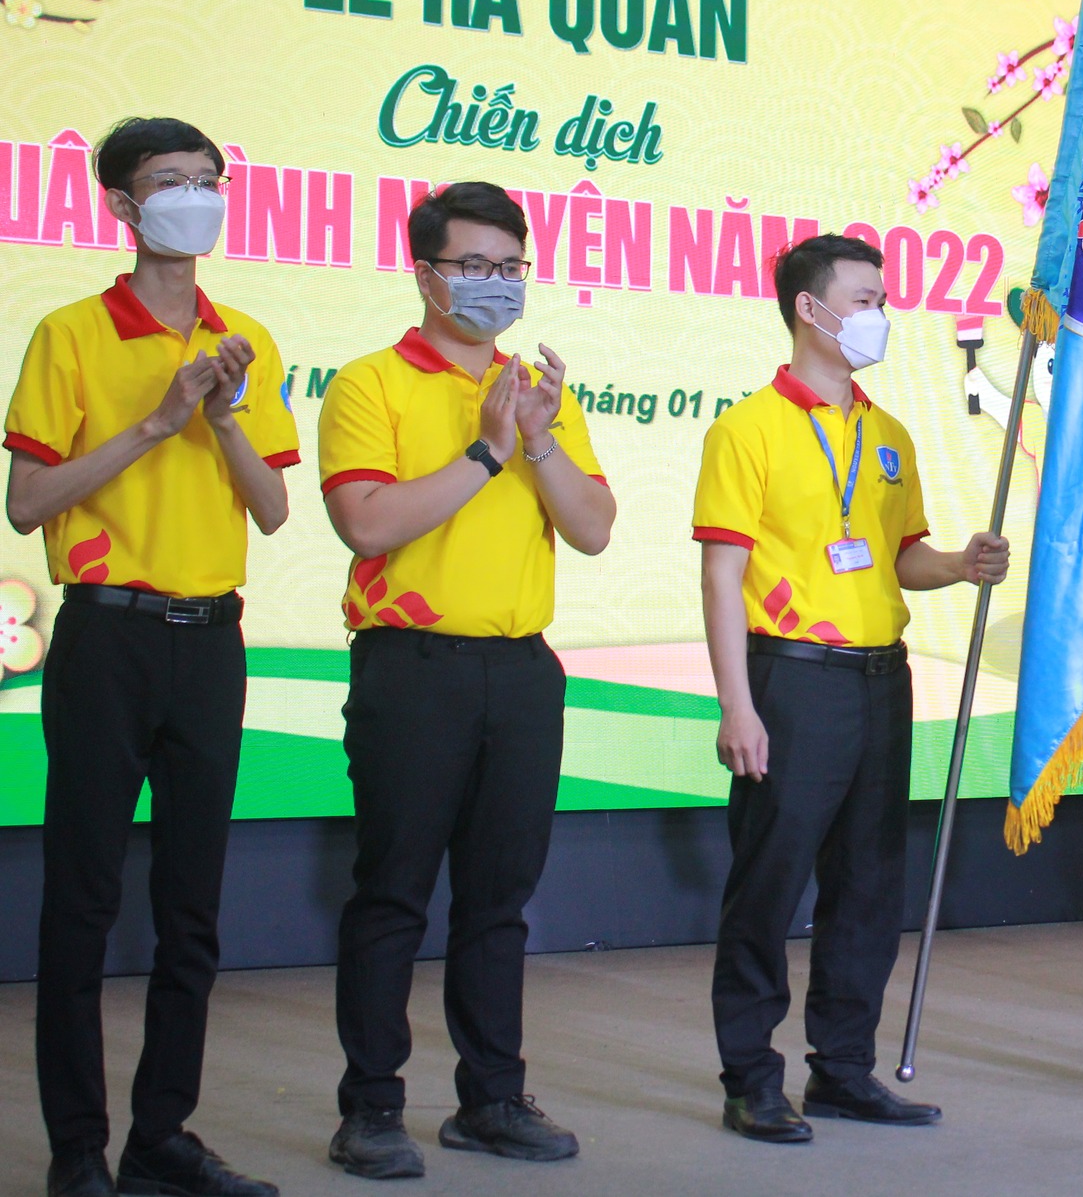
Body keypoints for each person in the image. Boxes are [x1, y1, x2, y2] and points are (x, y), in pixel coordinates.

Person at [6, 117, 293, 1197]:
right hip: (106, 637)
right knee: (81, 903)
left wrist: (220, 418)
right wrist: (154, 422)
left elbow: (272, 509)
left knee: (191, 909)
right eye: (170, 181)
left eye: (209, 179)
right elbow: (27, 501)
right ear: (124, 206)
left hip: (209, 642)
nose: (196, 197)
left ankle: (160, 1136)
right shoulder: (73, 333)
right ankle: (77, 1149)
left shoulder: (243, 338)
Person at [318, 182, 615, 1179]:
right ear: (426, 274)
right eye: (474, 265)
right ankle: (370, 1109)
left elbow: (593, 527)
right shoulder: (369, 383)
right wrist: (487, 453)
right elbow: (367, 523)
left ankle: (491, 1099)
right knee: (393, 895)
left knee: (498, 901)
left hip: (521, 672)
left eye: (510, 266)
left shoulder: (536, 392)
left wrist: (538, 438)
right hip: (413, 668)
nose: (496, 283)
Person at [693, 234, 1008, 1144]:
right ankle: (751, 1077)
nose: (882, 314)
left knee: (868, 884)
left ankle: (842, 1068)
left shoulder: (889, 435)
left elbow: (903, 558)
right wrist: (736, 703)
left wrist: (961, 562)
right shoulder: (747, 428)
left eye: (883, 299)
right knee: (769, 883)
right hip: (791, 679)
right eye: (865, 299)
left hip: (879, 679)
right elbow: (722, 576)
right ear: (810, 308)